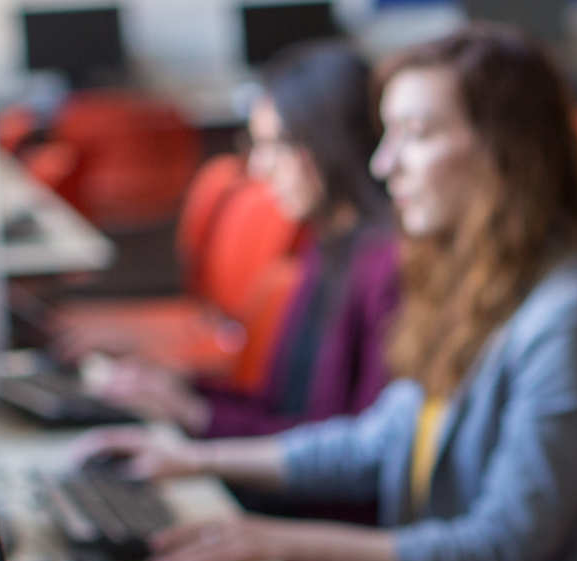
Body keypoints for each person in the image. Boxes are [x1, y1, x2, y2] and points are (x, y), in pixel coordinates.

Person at [71, 24, 577, 561]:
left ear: (509, 153)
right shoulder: (473, 287)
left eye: (416, 135)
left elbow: (501, 554)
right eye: (387, 136)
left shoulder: (571, 322)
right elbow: (377, 440)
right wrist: (195, 457)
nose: (386, 165)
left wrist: (273, 539)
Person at [67, 41, 401, 439]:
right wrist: (180, 389)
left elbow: (346, 456)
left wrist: (197, 414)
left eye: (276, 145)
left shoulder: (384, 269)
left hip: (308, 499)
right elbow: (283, 407)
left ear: (329, 143)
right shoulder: (330, 246)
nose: (259, 169)